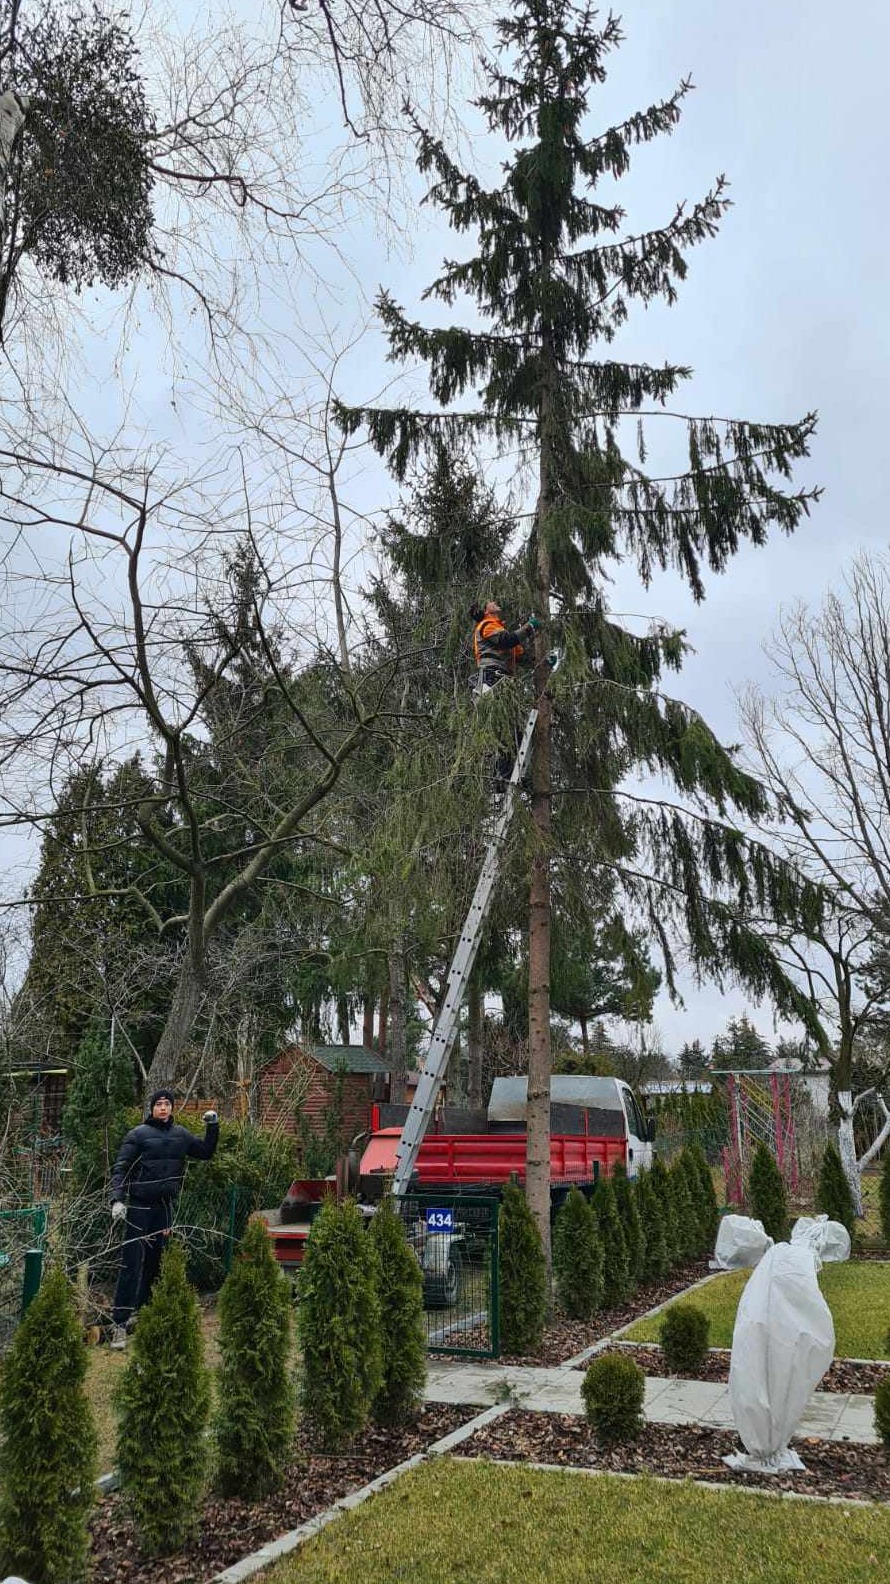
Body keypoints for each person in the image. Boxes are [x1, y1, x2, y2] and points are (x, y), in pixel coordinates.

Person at [108, 1089, 219, 1348]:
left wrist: (213, 1127)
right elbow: (121, 1168)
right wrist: (117, 1199)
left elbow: (205, 1152)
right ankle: (120, 1324)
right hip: (139, 1207)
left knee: (156, 1262)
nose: (163, 1108)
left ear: (172, 1108)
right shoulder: (138, 1135)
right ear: (152, 1108)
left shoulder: (181, 1135)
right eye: (158, 1104)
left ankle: (146, 1312)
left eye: (167, 1104)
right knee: (131, 1263)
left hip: (165, 1208)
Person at [470, 600, 540, 786]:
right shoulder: (486, 625)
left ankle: (507, 775)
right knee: (505, 728)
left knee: (513, 730)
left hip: (502, 680)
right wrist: (529, 628)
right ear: (487, 611)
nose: (495, 602)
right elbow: (505, 640)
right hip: (492, 677)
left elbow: (522, 656)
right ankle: (502, 776)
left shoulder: (499, 628)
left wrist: (544, 663)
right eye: (490, 602)